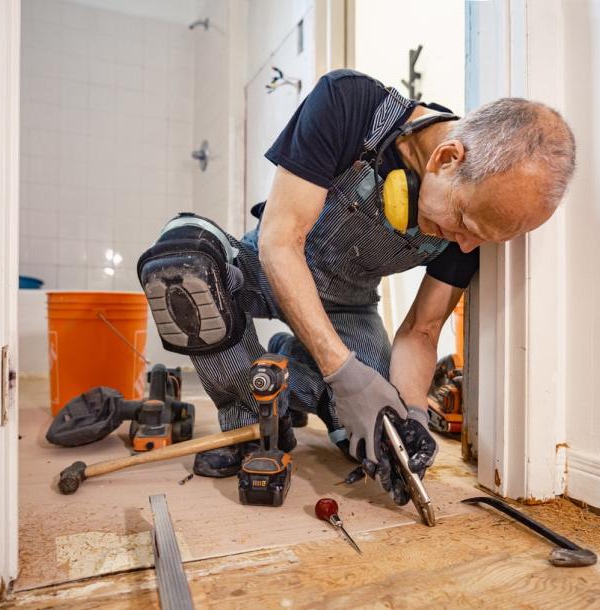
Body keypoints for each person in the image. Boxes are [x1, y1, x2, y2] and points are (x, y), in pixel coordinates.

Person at [137, 69, 576, 504]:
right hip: (262, 267)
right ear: (447, 159)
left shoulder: (471, 229)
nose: (465, 243)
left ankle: (294, 369)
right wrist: (343, 374)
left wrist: (414, 418)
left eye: (482, 238)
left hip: (348, 306)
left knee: (373, 438)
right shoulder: (350, 105)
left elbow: (421, 331)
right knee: (185, 266)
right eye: (463, 221)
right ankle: (247, 420)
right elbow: (279, 242)